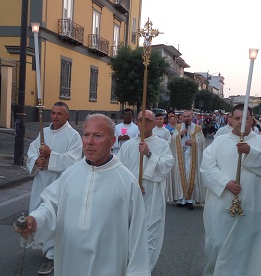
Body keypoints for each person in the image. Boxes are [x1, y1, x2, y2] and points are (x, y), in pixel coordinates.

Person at [16, 114, 150, 276]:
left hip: (107, 266)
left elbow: (137, 235)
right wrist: (35, 220)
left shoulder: (126, 181)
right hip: (70, 261)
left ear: (112, 141)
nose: (90, 141)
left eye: (98, 136)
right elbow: (51, 207)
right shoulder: (70, 174)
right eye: (86, 135)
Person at [200, 104, 261, 276]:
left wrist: (250, 152)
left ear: (252, 120)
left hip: (251, 208)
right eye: (237, 118)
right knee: (217, 244)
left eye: (245, 118)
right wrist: (226, 183)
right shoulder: (220, 141)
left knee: (244, 250)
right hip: (221, 206)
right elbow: (206, 166)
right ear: (230, 119)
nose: (240, 122)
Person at [26, 101, 82, 274]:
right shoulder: (44, 132)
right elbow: (32, 150)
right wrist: (36, 160)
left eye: (59, 113)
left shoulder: (73, 136)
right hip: (41, 180)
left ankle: (52, 256)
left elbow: (74, 161)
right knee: (39, 212)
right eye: (53, 113)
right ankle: (46, 246)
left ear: (67, 116)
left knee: (54, 216)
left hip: (59, 182)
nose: (55, 116)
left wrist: (51, 157)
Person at [117, 110, 174, 271]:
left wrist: (149, 154)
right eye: (141, 120)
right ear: (137, 121)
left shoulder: (161, 144)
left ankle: (144, 269)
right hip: (131, 194)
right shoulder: (128, 145)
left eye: (148, 120)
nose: (144, 123)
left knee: (149, 234)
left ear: (154, 123)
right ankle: (129, 265)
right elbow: (119, 169)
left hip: (152, 194)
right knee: (130, 231)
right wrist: (133, 183)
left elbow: (166, 167)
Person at [168, 110, 206, 210]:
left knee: (191, 176)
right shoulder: (178, 127)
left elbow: (202, 143)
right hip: (181, 156)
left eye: (188, 116)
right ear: (182, 118)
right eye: (184, 117)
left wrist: (193, 142)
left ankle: (190, 200)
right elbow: (172, 141)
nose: (186, 118)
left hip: (192, 156)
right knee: (181, 176)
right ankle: (181, 199)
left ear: (192, 116)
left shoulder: (197, 128)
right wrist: (180, 135)